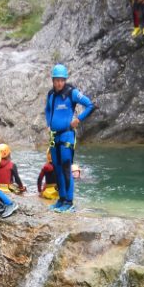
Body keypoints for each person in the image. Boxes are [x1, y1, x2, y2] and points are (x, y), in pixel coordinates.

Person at [45, 64, 94, 213]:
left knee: (66, 168)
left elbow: (90, 105)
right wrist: (49, 124)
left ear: (65, 80)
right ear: (53, 80)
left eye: (61, 80)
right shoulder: (51, 94)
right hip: (54, 136)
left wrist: (78, 119)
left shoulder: (71, 93)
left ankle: (69, 202)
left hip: (67, 135)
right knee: (57, 169)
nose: (59, 83)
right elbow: (48, 110)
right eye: (56, 80)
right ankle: (61, 199)